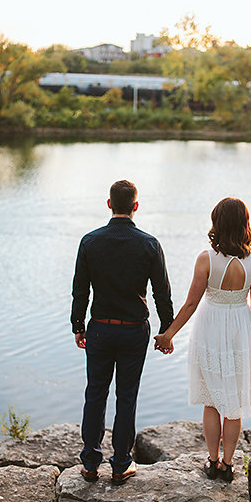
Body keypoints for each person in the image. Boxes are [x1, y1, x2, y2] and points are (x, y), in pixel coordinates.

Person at [154, 197, 251, 482]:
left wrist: (169, 334)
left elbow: (191, 304)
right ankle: (228, 465)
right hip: (241, 331)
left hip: (210, 329)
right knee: (235, 403)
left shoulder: (206, 258)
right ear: (245, 224)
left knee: (212, 402)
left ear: (217, 223)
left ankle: (213, 461)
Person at [71, 180, 174, 485]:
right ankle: (120, 464)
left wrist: (78, 325)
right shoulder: (149, 244)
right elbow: (162, 294)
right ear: (135, 206)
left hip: (100, 329)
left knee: (95, 394)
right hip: (133, 331)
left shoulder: (90, 241)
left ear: (109, 204)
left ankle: (90, 464)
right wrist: (166, 330)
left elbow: (80, 291)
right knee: (126, 397)